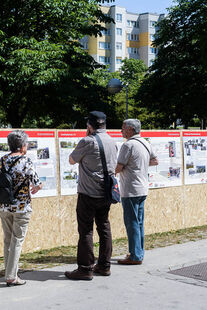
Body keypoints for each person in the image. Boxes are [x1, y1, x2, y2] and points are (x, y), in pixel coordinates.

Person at [65, 111, 117, 280]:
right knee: (104, 227)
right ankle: (104, 265)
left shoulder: (87, 141)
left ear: (90, 126)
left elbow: (72, 160)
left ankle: (85, 268)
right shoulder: (112, 141)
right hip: (106, 193)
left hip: (88, 193)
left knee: (86, 230)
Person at [0, 130, 43, 286]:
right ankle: (11, 276)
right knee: (17, 241)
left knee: (7, 240)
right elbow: (36, 182)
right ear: (22, 146)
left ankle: (9, 272)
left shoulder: (2, 160)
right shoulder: (26, 161)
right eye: (26, 143)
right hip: (21, 207)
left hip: (4, 206)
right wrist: (39, 186)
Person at [115, 119, 158, 265]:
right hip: (142, 188)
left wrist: (108, 175)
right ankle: (138, 253)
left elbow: (119, 167)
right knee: (139, 222)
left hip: (130, 189)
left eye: (123, 128)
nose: (121, 130)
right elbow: (155, 161)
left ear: (131, 129)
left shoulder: (128, 145)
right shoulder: (145, 142)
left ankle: (134, 256)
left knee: (131, 222)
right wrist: (139, 166)